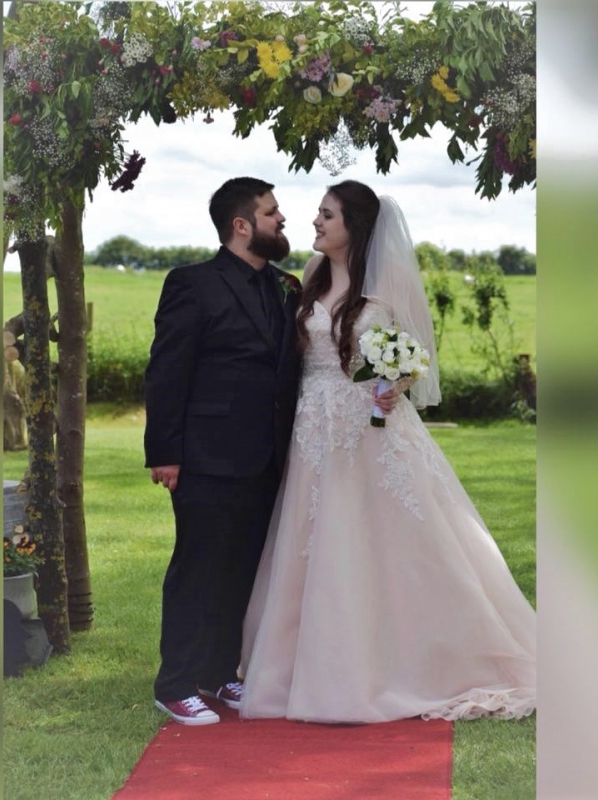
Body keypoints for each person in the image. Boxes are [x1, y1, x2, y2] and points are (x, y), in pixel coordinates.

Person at [239, 180, 536, 723]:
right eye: (317, 214)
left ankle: (417, 658)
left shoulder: (384, 288)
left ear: (354, 224)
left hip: (369, 429)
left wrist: (394, 383)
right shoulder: (310, 276)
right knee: (313, 540)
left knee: (387, 541)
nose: (316, 222)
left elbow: (409, 354)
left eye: (326, 215)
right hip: (313, 429)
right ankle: (308, 665)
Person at [144, 177, 303, 725]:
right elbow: (167, 370)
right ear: (242, 225)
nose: (281, 219)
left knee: (241, 570)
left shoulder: (286, 286)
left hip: (266, 458)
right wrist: (164, 452)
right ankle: (174, 685)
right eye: (271, 212)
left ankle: (218, 675)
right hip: (205, 455)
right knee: (198, 568)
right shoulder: (192, 283)